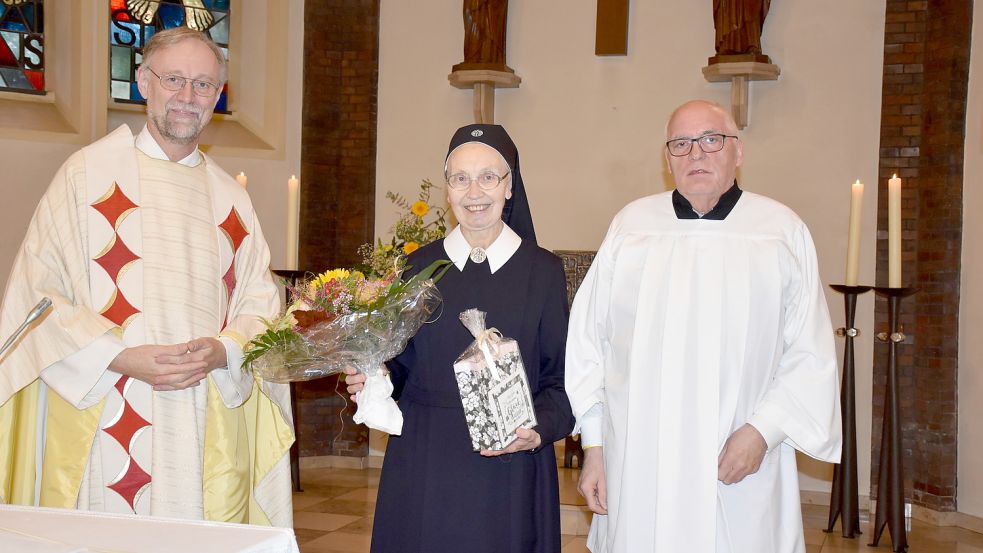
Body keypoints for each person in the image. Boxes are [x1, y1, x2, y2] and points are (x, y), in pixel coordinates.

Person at [0, 27, 293, 526]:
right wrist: (118, 356)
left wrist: (225, 350)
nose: (187, 96)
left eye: (203, 85)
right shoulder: (84, 176)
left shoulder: (232, 199)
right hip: (106, 403)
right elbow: (37, 296)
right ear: (142, 82)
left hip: (204, 411)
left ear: (218, 96)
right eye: (174, 79)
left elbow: (260, 306)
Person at [566, 100, 841, 552]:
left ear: (739, 151)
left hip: (739, 465)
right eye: (681, 144)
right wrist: (594, 447)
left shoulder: (780, 233)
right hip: (641, 465)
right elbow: (589, 345)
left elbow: (809, 352)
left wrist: (763, 431)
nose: (696, 154)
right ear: (667, 159)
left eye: (712, 140)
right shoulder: (631, 229)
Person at [345, 124, 573, 553]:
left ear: (510, 187)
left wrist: (537, 430)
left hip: (509, 466)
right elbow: (398, 363)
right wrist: (371, 374)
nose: (475, 192)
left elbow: (562, 379)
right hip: (425, 456)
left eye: (489, 177)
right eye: (460, 178)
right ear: (447, 189)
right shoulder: (416, 267)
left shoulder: (543, 272)